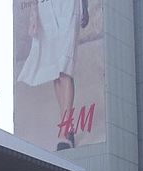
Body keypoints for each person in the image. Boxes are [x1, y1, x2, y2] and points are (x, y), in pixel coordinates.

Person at [17, 0, 90, 150]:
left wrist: (85, 5)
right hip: (47, 7)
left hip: (69, 5)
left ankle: (64, 133)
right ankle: (67, 127)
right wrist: (33, 12)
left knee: (65, 67)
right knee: (56, 70)